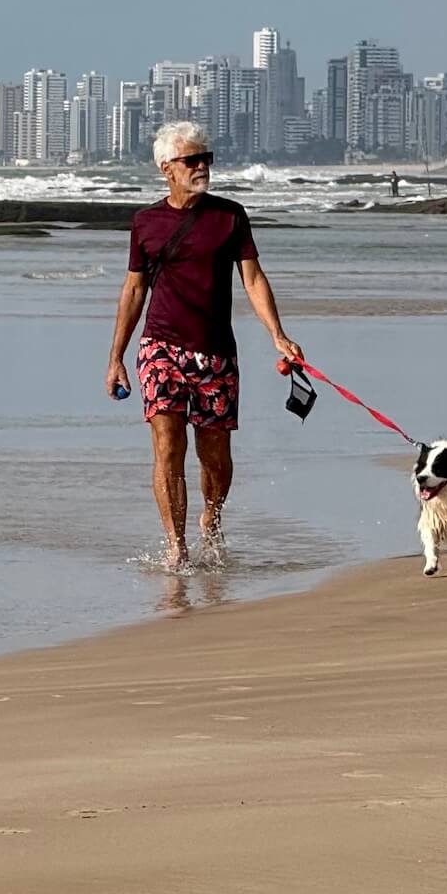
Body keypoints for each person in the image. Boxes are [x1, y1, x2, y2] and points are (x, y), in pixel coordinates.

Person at [107, 121, 301, 571]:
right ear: (166, 169)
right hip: (161, 347)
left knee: (214, 454)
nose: (202, 167)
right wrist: (116, 357)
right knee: (167, 445)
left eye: (206, 159)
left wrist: (278, 334)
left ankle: (210, 519)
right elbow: (134, 290)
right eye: (191, 160)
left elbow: (252, 278)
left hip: (215, 353)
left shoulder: (230, 216)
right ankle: (177, 546)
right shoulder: (146, 223)